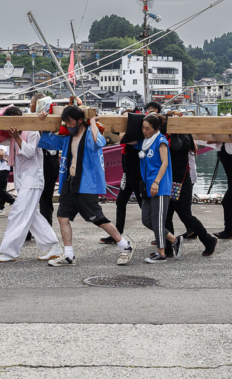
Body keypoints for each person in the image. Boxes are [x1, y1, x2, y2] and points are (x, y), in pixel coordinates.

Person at [38, 105, 134, 266]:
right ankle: (68, 255)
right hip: (70, 183)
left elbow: (99, 143)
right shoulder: (68, 137)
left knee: (98, 219)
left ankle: (125, 246)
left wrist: (93, 123)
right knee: (62, 217)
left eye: (70, 122)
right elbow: (48, 141)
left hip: (86, 185)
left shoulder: (90, 134)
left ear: (80, 120)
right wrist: (44, 120)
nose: (68, 126)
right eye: (66, 123)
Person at [0, 107, 62, 262]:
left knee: (18, 213)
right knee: (32, 216)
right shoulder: (11, 134)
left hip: (33, 178)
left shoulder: (32, 130)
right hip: (23, 179)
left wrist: (17, 137)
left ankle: (9, 251)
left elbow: (30, 152)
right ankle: (53, 247)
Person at [100, 104, 159, 245]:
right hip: (127, 175)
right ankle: (117, 234)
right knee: (121, 202)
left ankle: (162, 234)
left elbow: (123, 138)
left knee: (144, 207)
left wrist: (125, 128)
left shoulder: (138, 138)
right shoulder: (134, 135)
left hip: (137, 176)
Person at [163, 131, 218, 256]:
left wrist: (174, 133)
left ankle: (208, 240)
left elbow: (177, 146)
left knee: (185, 215)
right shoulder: (164, 135)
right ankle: (167, 249)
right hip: (168, 180)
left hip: (181, 182)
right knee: (166, 215)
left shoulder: (184, 137)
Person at [137, 114, 181, 264]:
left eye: (147, 128)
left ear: (155, 129)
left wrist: (156, 182)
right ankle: (174, 240)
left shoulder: (160, 141)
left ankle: (161, 253)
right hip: (148, 186)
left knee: (157, 220)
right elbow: (127, 140)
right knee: (146, 220)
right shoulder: (145, 142)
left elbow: (164, 163)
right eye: (142, 127)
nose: (144, 130)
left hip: (159, 186)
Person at [30, 93, 61, 226]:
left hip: (48, 160)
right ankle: (34, 230)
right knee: (36, 197)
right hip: (46, 160)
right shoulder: (31, 118)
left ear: (37, 104)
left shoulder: (49, 117)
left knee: (44, 197)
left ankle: (45, 228)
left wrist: (44, 122)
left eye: (31, 102)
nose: (29, 105)